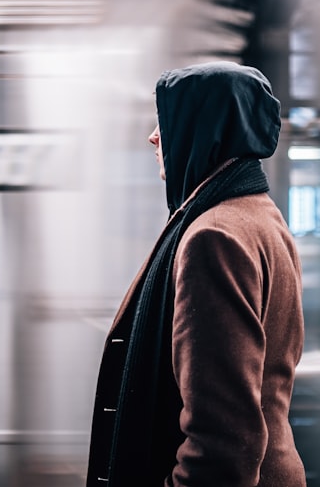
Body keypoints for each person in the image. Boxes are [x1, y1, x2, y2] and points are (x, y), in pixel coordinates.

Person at [87, 61, 307, 486]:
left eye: (167, 118)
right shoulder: (260, 215)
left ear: (205, 126)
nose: (154, 135)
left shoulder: (214, 238)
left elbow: (222, 443)